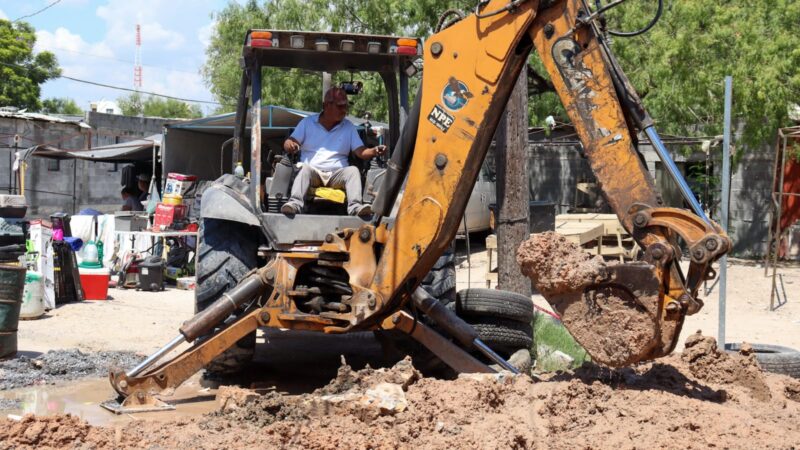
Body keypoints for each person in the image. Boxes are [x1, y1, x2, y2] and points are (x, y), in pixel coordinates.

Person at [281, 87, 386, 217]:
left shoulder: (348, 127)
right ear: (326, 105)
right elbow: (289, 142)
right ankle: (295, 205)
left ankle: (356, 207)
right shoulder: (307, 123)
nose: (344, 110)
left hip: (337, 174)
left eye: (346, 106)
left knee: (353, 171)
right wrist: (290, 144)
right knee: (304, 169)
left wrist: (374, 151)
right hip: (313, 173)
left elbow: (361, 152)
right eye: (340, 106)